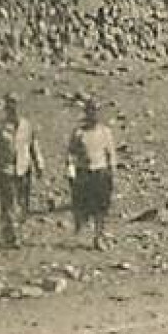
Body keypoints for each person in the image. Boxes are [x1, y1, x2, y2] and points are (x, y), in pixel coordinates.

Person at [0, 94, 44, 248]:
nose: (13, 109)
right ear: (6, 108)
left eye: (16, 105)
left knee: (23, 204)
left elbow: (34, 146)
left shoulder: (27, 126)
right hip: (4, 170)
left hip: (23, 169)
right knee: (7, 205)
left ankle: (18, 232)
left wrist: (39, 165)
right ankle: (10, 237)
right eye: (10, 106)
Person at [67, 99, 118, 251]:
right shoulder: (79, 133)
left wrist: (112, 172)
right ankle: (80, 229)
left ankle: (99, 236)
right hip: (84, 173)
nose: (93, 114)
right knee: (83, 205)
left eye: (96, 111)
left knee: (101, 207)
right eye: (91, 111)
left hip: (101, 172)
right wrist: (70, 171)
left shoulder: (105, 132)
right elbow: (71, 154)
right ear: (86, 113)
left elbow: (111, 153)